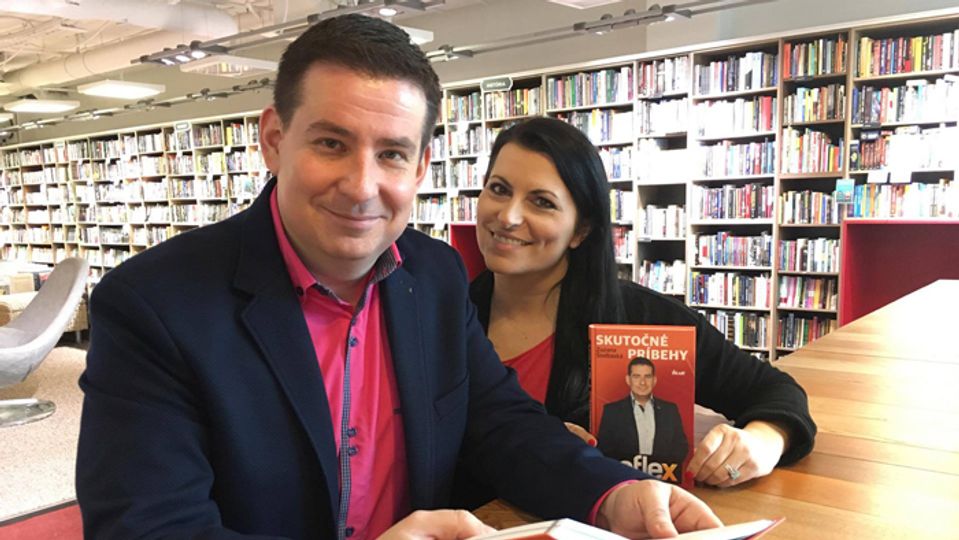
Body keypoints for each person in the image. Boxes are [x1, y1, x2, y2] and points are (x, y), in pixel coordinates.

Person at [75, 14, 723, 540]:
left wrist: (614, 492)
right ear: (274, 139)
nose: (362, 185)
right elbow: (147, 528)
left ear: (419, 167)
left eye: (391, 153)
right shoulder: (154, 304)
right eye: (331, 143)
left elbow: (500, 422)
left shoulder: (434, 275)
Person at [469, 117, 817, 491]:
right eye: (499, 189)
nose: (508, 217)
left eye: (542, 202)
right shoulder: (444, 314)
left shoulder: (640, 318)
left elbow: (773, 390)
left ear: (581, 230)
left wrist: (764, 441)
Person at [596, 357, 689, 469]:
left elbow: (681, 446)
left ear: (654, 380)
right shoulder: (612, 411)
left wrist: (660, 469)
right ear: (628, 380)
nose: (642, 382)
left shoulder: (670, 410)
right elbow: (604, 449)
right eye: (636, 376)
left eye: (647, 376)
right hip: (625, 476)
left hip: (662, 475)